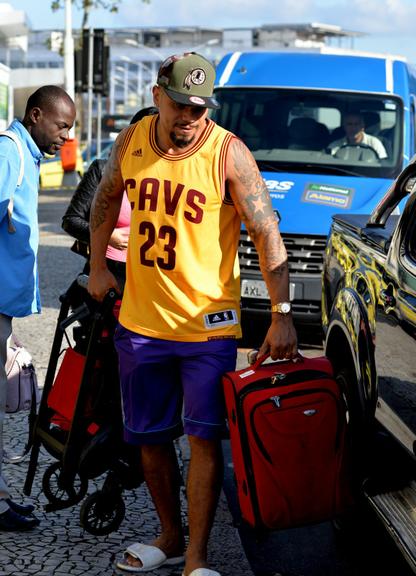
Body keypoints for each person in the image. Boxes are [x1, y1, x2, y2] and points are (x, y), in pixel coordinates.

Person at [87, 52, 297, 576]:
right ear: (158, 95)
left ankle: (196, 559)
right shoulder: (132, 141)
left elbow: (267, 229)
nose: (188, 118)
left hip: (208, 328)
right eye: (179, 105)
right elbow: (106, 196)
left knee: (203, 438)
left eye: (199, 109)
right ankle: (171, 535)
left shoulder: (228, 152)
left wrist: (282, 312)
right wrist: (97, 266)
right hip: (140, 324)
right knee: (150, 440)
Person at [0, 85, 76, 531]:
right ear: (35, 115)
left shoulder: (24, 157)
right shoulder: (9, 153)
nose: (66, 137)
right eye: (61, 126)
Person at [61, 106, 158, 291]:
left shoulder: (170, 175)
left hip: (153, 274)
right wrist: (108, 236)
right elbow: (70, 221)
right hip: (111, 273)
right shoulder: (102, 170)